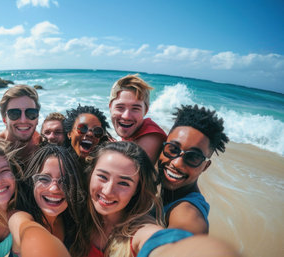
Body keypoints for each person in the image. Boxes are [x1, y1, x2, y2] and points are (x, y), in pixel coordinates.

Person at [83, 141, 239, 257]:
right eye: (102, 176)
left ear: (136, 189)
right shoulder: (79, 216)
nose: (108, 191)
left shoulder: (140, 233)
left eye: (123, 183)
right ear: (90, 174)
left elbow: (165, 245)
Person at [158, 105, 229, 234]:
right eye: (173, 149)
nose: (177, 163)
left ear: (205, 167)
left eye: (193, 157)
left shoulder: (189, 212)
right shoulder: (151, 176)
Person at [8, 144, 88, 257]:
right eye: (44, 179)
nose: (54, 189)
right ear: (32, 183)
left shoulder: (74, 221)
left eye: (65, 181)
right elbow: (25, 229)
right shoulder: (18, 216)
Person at [109, 74, 166, 163]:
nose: (126, 116)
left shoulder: (152, 137)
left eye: (135, 109)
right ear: (110, 107)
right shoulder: (133, 130)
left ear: (145, 111)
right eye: (120, 107)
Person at [0, 85, 41, 164]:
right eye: (14, 114)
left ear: (37, 118)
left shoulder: (42, 144)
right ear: (4, 120)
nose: (23, 120)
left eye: (31, 113)